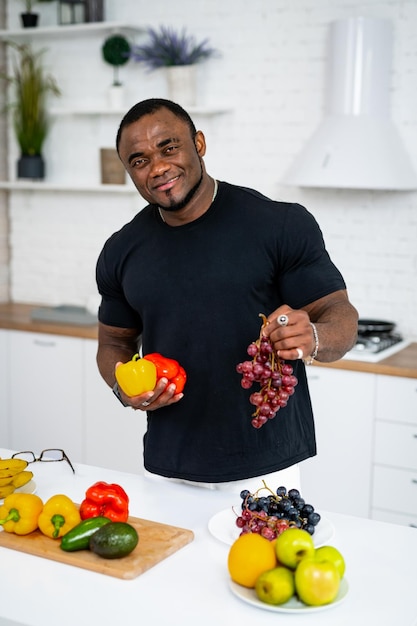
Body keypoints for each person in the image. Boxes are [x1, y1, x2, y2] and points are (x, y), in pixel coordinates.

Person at [95, 98, 358, 493]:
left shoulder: (279, 224)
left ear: (198, 143)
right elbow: (113, 342)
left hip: (267, 467)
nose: (158, 167)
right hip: (170, 464)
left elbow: (338, 313)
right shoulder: (121, 250)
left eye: (169, 148)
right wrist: (124, 390)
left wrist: (315, 337)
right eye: (139, 160)